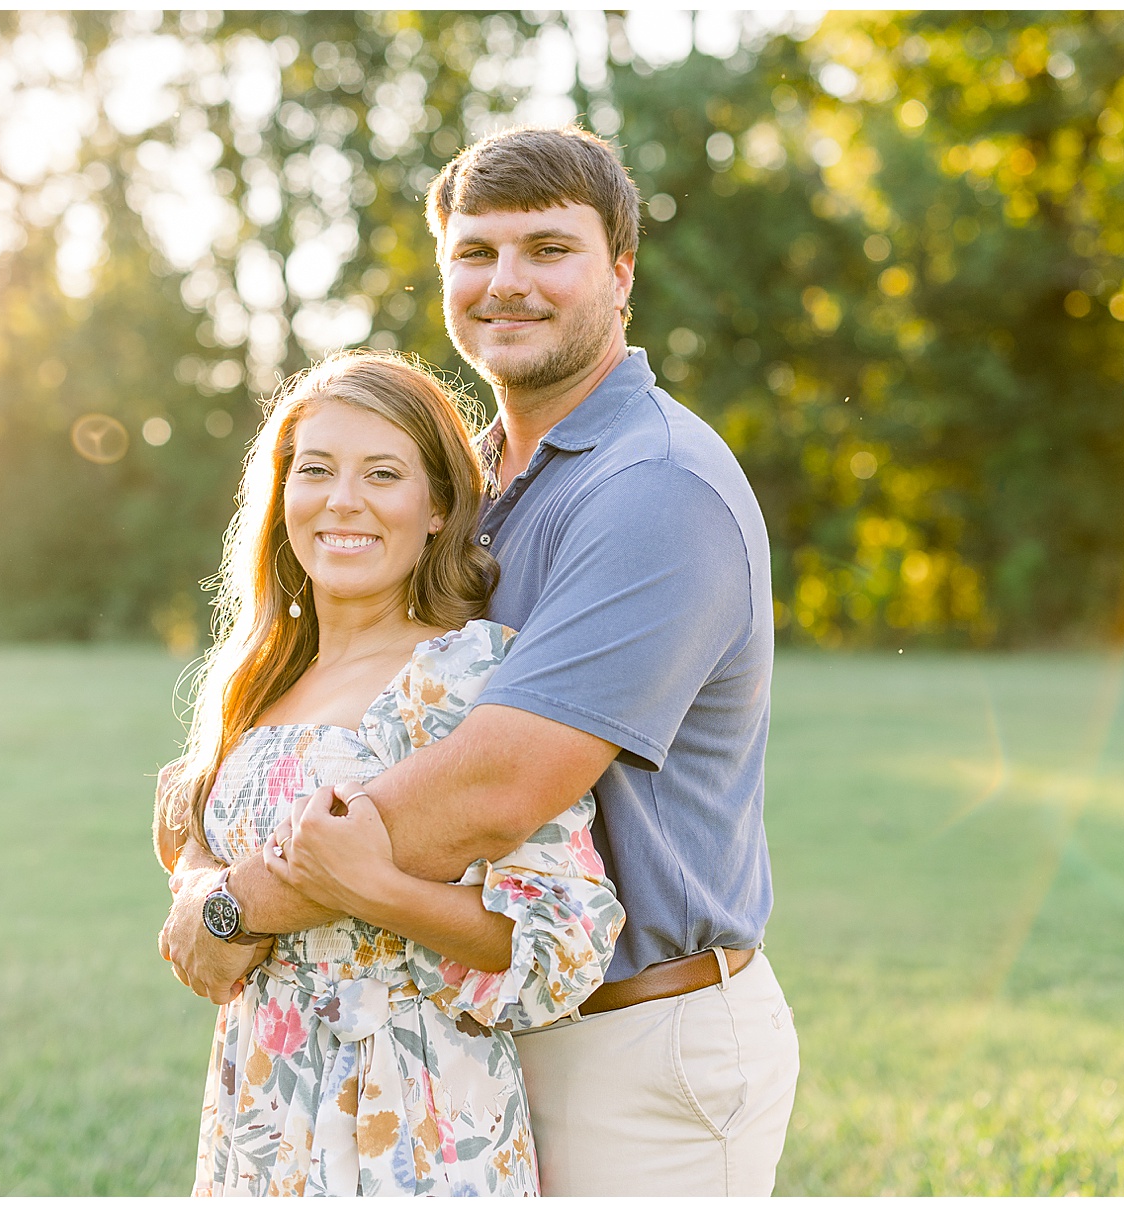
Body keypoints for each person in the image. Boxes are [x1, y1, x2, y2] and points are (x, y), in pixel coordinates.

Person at [163, 124, 799, 1195]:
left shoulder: (655, 486)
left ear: (621, 272)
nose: (508, 282)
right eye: (477, 252)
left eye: (549, 249)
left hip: (636, 1038)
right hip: (468, 1038)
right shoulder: (490, 485)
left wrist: (240, 906)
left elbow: (498, 786)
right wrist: (200, 851)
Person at [154, 350, 623, 1196]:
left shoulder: (467, 677)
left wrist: (373, 887)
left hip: (414, 1120)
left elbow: (563, 942)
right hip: (261, 1109)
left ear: (438, 506)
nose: (343, 500)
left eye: (382, 473)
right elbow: (204, 888)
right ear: (282, 492)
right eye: (317, 469)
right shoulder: (255, 679)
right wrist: (199, 890)